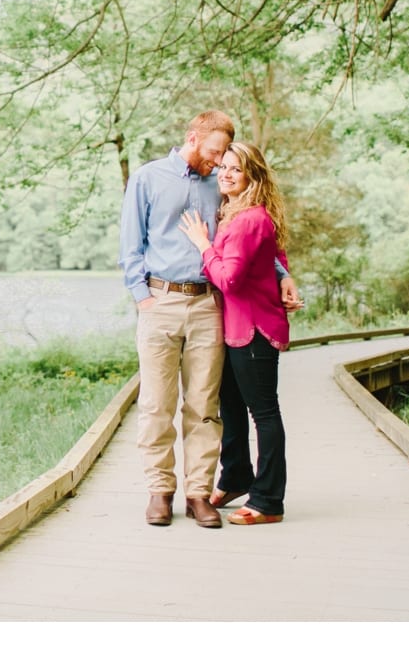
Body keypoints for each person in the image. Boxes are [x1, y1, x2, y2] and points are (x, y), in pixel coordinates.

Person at [119, 112, 301, 529]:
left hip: (208, 304)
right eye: (215, 153)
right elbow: (131, 244)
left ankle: (198, 493)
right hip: (160, 300)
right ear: (192, 138)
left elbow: (253, 235)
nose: (219, 163)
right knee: (156, 404)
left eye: (225, 157)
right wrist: (142, 298)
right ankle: (159, 491)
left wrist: (283, 273)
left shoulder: (221, 183)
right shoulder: (148, 178)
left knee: (204, 406)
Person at [180, 141, 292, 525]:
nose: (225, 174)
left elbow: (228, 278)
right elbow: (277, 255)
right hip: (233, 327)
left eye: (236, 169)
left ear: (252, 177)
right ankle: (237, 475)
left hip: (255, 329)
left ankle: (268, 501)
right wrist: (286, 276)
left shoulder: (247, 220)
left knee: (264, 413)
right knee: (230, 405)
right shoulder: (234, 213)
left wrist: (203, 246)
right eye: (223, 167)